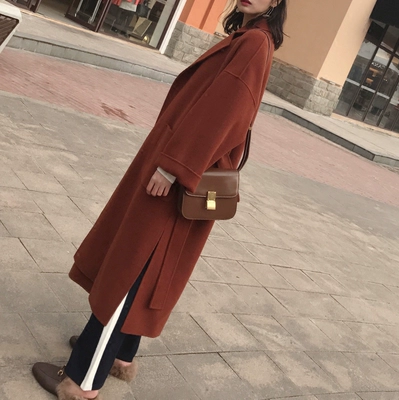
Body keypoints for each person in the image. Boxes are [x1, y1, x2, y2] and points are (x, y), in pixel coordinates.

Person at [32, 0, 287, 398]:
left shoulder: (254, 42)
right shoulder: (253, 37)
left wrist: (175, 167)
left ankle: (82, 379)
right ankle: (121, 355)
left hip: (181, 173)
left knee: (131, 268)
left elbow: (225, 114)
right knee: (147, 264)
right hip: (186, 168)